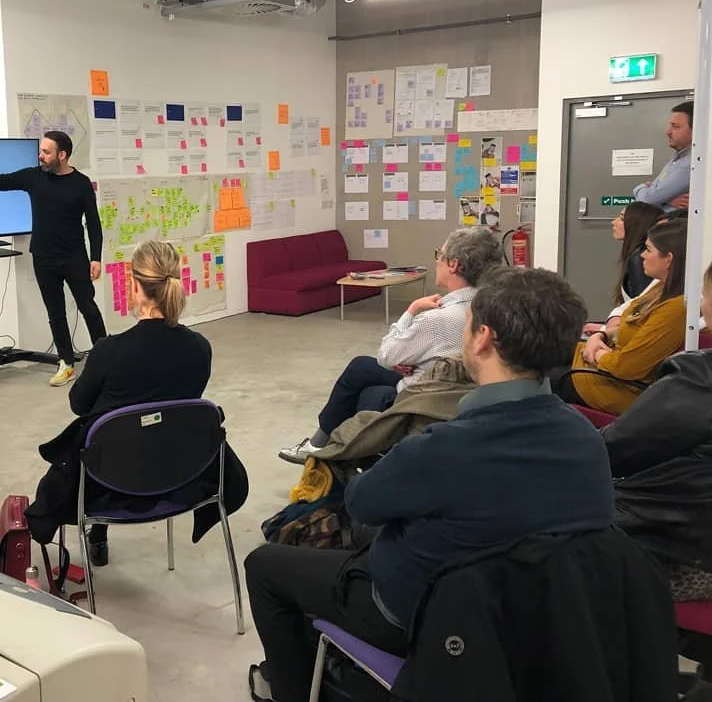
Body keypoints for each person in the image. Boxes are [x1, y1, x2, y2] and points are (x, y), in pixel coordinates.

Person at [245, 267, 614, 702]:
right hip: (536, 620)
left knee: (266, 564)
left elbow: (362, 501)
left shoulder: (444, 446)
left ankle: (287, 690)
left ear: (481, 338)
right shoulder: (588, 439)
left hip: (421, 615)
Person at [24, 240, 247, 565]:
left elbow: (78, 404)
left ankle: (97, 533)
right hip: (180, 476)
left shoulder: (108, 352)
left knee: (101, 442)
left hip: (110, 485)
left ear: (136, 288)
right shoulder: (200, 348)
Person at [279, 227, 504, 464]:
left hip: (425, 396)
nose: (436, 259)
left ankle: (327, 450)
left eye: (440, 254)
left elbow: (387, 355)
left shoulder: (437, 319)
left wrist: (411, 310)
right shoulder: (494, 307)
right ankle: (323, 447)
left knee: (369, 390)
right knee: (361, 369)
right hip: (456, 389)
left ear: (454, 265)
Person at [0, 130, 106, 387]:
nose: (41, 156)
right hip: (43, 257)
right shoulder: (33, 177)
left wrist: (96, 258)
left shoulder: (81, 183)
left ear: (62, 155)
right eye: (41, 151)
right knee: (56, 313)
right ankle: (66, 362)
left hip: (75, 257)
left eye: (46, 152)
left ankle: (106, 359)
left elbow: (93, 223)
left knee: (88, 308)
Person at [608, 259, 712, 602]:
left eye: (706, 296)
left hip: (687, 556)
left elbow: (617, 449)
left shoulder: (700, 380)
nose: (700, 305)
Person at [559, 218, 687, 416]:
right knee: (533, 351)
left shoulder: (676, 309)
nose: (642, 255)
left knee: (532, 379)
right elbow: (629, 326)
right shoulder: (659, 289)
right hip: (599, 364)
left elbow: (626, 368)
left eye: (648, 250)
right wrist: (599, 337)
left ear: (668, 259)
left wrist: (596, 353)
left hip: (612, 386)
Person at [584, 201, 664, 336]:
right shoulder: (638, 254)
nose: (613, 222)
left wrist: (605, 331)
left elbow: (642, 309)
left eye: (621, 219)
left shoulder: (639, 258)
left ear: (637, 224)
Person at [634, 100, 693, 211]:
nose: (668, 132)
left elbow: (647, 199)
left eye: (676, 127)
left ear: (696, 130)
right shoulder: (676, 158)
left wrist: (640, 187)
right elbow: (651, 198)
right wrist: (666, 200)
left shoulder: (690, 164)